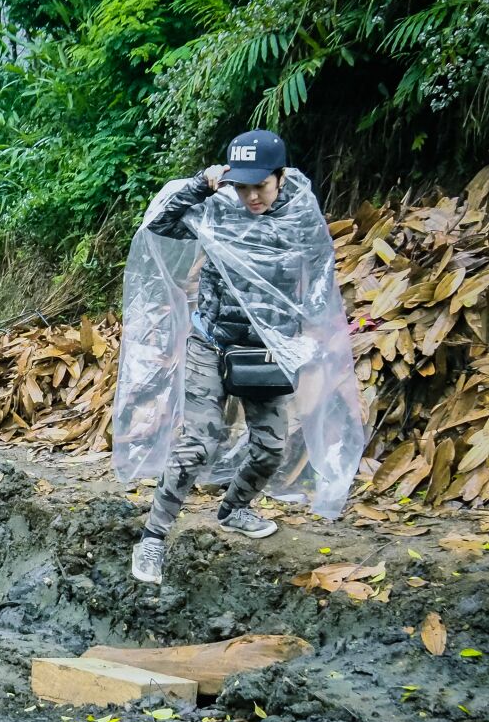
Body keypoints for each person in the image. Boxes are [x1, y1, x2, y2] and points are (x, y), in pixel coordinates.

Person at [115, 129, 363, 585]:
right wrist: (200, 185)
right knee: (198, 445)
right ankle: (152, 539)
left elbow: (321, 268)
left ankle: (235, 508)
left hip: (268, 347)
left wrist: (312, 327)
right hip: (212, 342)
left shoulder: (300, 213)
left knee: (270, 447)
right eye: (242, 185)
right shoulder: (219, 204)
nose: (251, 196)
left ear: (280, 176)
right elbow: (160, 226)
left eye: (260, 186)